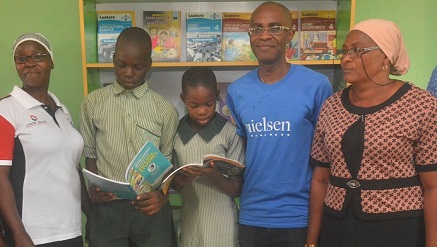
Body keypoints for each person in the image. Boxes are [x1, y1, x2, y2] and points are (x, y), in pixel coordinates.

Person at [306, 19, 437, 247]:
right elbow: (320, 178)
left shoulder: (422, 105)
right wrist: (311, 242)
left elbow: (432, 186)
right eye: (345, 51)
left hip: (398, 229)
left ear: (385, 57)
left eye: (357, 51)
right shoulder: (331, 106)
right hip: (337, 227)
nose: (346, 58)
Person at [225, 2, 333, 247]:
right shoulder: (237, 91)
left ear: (290, 34)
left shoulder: (317, 85)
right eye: (257, 28)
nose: (264, 35)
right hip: (251, 215)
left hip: (298, 217)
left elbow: (326, 158)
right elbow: (244, 150)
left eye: (275, 27)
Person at [79, 27, 179, 247]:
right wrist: (93, 189)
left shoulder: (164, 110)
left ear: (149, 65)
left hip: (150, 207)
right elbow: (91, 156)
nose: (128, 73)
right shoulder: (92, 104)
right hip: (107, 210)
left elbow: (168, 164)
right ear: (113, 59)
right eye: (121, 65)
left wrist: (162, 196)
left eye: (138, 67)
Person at [0, 32, 90, 246]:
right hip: (33, 235)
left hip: (70, 229)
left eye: (38, 56)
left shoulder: (62, 110)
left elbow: (72, 168)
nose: (29, 63)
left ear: (51, 62)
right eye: (21, 58)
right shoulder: (6, 110)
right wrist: (19, 234)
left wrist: (91, 213)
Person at [172, 67, 245, 247]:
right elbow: (172, 183)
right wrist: (181, 181)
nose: (202, 111)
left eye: (209, 104)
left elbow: (236, 189)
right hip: (191, 221)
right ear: (183, 100)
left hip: (223, 225)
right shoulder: (176, 132)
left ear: (218, 96)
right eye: (194, 106)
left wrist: (212, 174)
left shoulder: (229, 133)